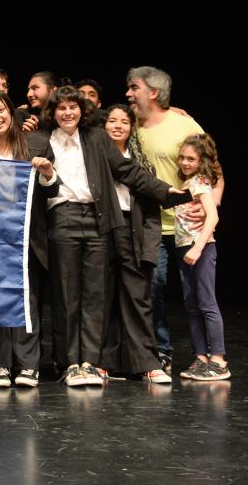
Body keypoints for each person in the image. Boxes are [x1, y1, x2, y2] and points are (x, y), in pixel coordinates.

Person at [27, 86, 183, 387]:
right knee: (66, 295)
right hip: (62, 217)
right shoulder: (43, 139)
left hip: (97, 220)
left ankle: (91, 363)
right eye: (61, 108)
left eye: (73, 107)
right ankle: (70, 362)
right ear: (53, 112)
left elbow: (127, 170)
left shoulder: (96, 137)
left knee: (96, 296)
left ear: (81, 111)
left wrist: (165, 191)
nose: (67, 113)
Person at [126, 65, 224, 374]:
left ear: (153, 92)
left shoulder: (183, 124)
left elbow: (215, 172)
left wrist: (211, 206)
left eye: (134, 88)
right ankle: (161, 350)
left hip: (186, 228)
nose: (128, 93)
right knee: (151, 289)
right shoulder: (128, 124)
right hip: (148, 224)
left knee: (195, 297)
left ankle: (210, 357)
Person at [0, 90, 54, 389]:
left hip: (25, 235)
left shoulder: (36, 144)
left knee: (26, 300)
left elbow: (52, 190)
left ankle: (28, 365)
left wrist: (47, 173)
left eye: (0, 110)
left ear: (10, 111)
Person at [101, 104, 171, 383]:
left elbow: (153, 214)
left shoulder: (142, 164)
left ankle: (146, 362)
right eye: (112, 121)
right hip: (104, 230)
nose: (118, 126)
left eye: (124, 122)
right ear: (103, 125)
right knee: (104, 299)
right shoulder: (96, 159)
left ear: (132, 128)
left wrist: (151, 247)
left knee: (138, 299)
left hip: (134, 232)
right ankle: (103, 362)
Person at [173, 134, 229, 381]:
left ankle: (218, 360)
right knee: (192, 305)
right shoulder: (188, 182)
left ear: (201, 161)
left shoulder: (201, 181)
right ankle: (201, 357)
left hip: (201, 248)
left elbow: (212, 217)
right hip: (184, 247)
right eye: (183, 158)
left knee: (207, 304)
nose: (185, 162)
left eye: (191, 159)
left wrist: (197, 248)